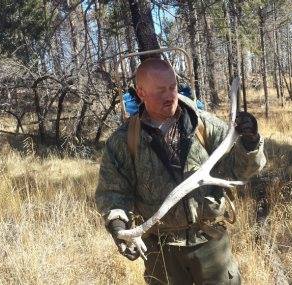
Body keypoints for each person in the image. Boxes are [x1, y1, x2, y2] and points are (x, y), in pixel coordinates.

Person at [95, 58, 266, 284]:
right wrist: (119, 227)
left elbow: (238, 171)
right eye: (160, 91)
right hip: (162, 251)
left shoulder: (204, 125)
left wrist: (250, 142)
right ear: (141, 92)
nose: (169, 95)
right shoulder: (124, 141)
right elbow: (112, 194)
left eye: (172, 87)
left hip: (210, 242)